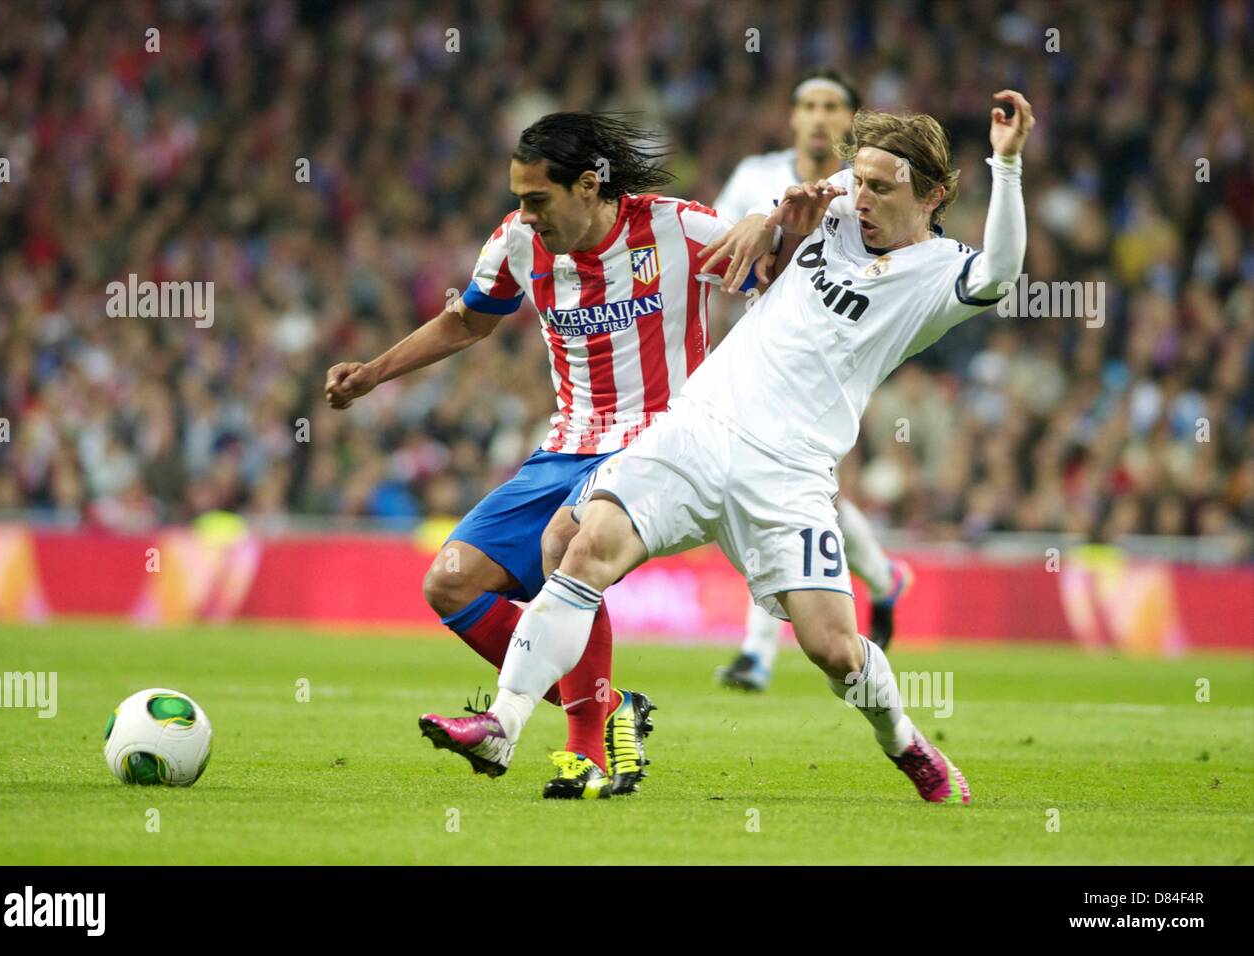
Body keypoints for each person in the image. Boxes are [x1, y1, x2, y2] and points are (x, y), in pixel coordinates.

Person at [419, 91, 1035, 804]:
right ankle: (504, 722)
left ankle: (905, 741)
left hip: (790, 471)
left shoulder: (939, 274)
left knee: (832, 648)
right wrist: (767, 217)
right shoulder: (833, 208)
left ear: (930, 195)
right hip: (699, 426)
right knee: (581, 546)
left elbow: (1002, 273)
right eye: (858, 180)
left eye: (881, 187)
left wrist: (1008, 164)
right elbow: (790, 199)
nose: (861, 197)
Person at [327, 112, 752, 799]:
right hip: (565, 448)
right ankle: (613, 710)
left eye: (537, 199)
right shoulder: (518, 243)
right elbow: (468, 319)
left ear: (588, 185)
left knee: (572, 544)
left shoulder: (681, 228)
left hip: (660, 440)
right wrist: (376, 372)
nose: (525, 214)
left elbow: (779, 277)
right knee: (452, 581)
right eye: (519, 199)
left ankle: (578, 753)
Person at [712, 68, 912, 693]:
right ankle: (879, 581)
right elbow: (717, 251)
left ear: (852, 122)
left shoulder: (870, 186)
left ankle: (760, 650)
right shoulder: (754, 176)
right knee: (794, 494)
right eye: (809, 105)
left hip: (836, 362)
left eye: (833, 106)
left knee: (802, 494)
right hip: (764, 353)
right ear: (793, 118)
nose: (820, 117)